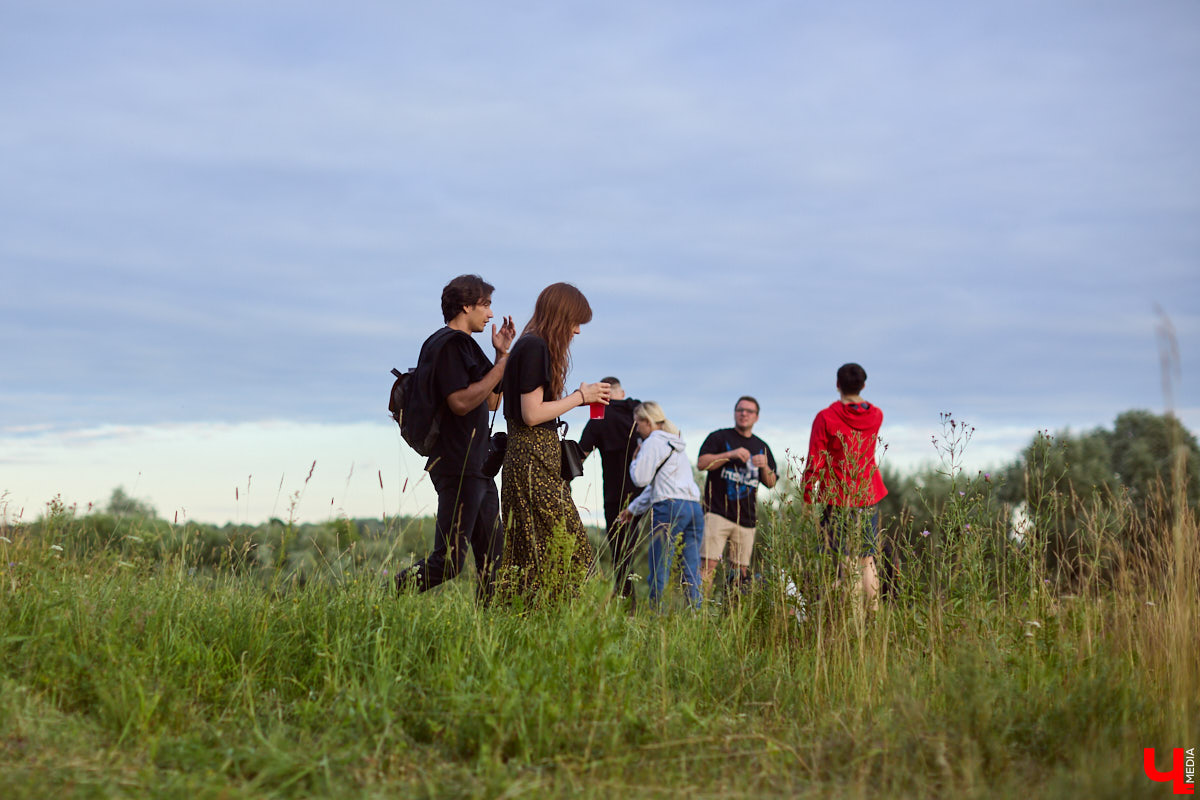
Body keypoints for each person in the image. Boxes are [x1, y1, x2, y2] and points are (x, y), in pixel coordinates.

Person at [395, 275, 516, 602]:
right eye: (486, 305)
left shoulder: (464, 346)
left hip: (477, 465)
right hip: (458, 464)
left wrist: (500, 357)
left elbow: (489, 400)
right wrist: (502, 367)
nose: (491, 315)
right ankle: (391, 595)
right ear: (466, 305)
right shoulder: (449, 344)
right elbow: (460, 402)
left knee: (494, 561)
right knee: (448, 562)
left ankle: (491, 636)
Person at [499, 283, 611, 601]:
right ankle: (573, 628)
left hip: (525, 457)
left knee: (529, 555)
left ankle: (527, 628)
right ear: (561, 317)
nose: (576, 331)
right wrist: (580, 397)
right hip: (535, 457)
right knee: (569, 551)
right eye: (575, 322)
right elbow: (532, 414)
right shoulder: (535, 347)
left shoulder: (525, 344)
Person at [801, 363, 888, 610]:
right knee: (867, 559)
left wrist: (807, 498)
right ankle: (872, 614)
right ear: (863, 385)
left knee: (845, 559)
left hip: (837, 496)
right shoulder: (876, 415)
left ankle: (851, 618)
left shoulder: (826, 417)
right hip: (868, 494)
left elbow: (815, 460)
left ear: (837, 384)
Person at [619, 402, 704, 609]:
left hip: (670, 508)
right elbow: (657, 487)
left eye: (638, 423)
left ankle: (658, 617)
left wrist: (635, 459)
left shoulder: (653, 442)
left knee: (659, 566)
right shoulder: (676, 444)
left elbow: (640, 479)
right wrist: (633, 509)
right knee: (691, 569)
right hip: (694, 508)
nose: (637, 428)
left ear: (647, 422)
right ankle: (696, 616)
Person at [697, 396, 778, 597]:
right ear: (734, 413)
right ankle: (700, 614)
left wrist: (765, 466)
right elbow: (702, 463)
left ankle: (731, 612)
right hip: (717, 513)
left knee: (740, 573)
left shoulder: (762, 446)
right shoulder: (719, 437)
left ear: (756, 417)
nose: (744, 414)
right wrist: (730, 455)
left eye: (749, 411)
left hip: (746, 519)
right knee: (708, 564)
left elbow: (771, 482)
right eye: (740, 410)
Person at [580, 376, 643, 600]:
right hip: (648, 495)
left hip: (615, 496)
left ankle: (627, 602)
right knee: (657, 552)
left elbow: (580, 456)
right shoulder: (641, 413)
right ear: (621, 393)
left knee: (620, 552)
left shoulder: (599, 417)